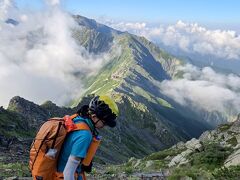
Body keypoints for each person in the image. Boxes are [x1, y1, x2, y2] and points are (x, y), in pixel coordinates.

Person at [57, 95, 119, 180]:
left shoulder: (78, 119)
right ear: (94, 117)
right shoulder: (85, 135)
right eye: (104, 122)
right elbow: (68, 173)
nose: (105, 126)